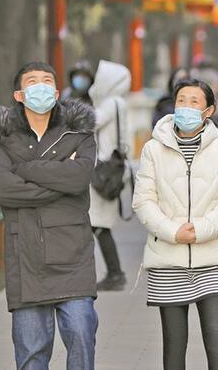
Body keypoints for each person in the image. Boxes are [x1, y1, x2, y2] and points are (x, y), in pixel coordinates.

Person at [0, 62, 98, 370]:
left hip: (73, 252)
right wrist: (59, 178)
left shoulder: (78, 131)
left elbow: (78, 179)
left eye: (47, 81)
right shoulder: (0, 137)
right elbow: (4, 190)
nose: (41, 87)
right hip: (25, 254)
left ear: (57, 92)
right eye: (32, 82)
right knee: (32, 353)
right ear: (19, 95)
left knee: (82, 338)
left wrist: (25, 170)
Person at [133, 78, 218, 370]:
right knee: (174, 343)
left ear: (208, 110)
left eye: (194, 101)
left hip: (215, 255)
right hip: (167, 258)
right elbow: (143, 201)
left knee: (216, 337)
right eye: (181, 100)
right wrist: (173, 232)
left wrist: (202, 229)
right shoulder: (152, 149)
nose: (186, 107)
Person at [89, 59, 132, 291]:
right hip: (111, 170)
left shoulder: (111, 103)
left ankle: (115, 273)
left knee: (98, 225)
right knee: (98, 224)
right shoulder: (119, 102)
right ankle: (114, 273)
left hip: (102, 171)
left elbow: (90, 123)